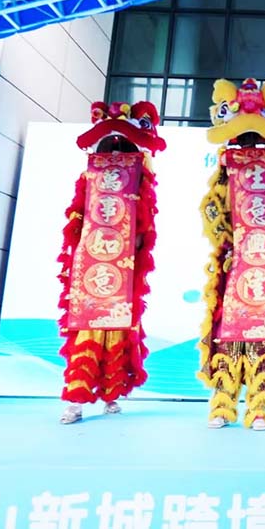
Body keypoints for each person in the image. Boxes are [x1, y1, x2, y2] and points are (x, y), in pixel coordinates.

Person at [198, 77, 265, 430]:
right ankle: (222, 403)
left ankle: (258, 405)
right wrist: (225, 239)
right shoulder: (226, 165)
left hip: (264, 263)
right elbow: (211, 208)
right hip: (231, 262)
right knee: (226, 333)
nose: (251, 142)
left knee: (260, 334)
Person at [57, 101, 166, 424]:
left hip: (123, 267)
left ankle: (111, 393)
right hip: (91, 266)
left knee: (118, 329)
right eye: (110, 146)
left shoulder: (141, 180)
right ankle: (75, 400)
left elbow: (146, 225)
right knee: (86, 329)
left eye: (123, 147)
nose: (116, 153)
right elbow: (76, 216)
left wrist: (135, 244)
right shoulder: (89, 178)